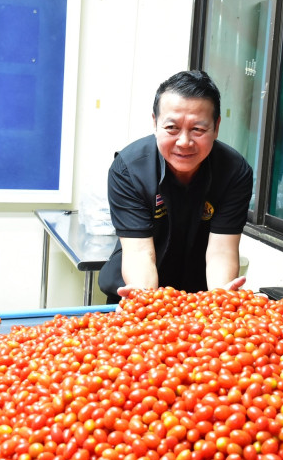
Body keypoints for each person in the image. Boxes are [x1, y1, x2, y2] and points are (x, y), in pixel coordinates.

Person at [98, 70, 253, 303]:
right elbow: (139, 253)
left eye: (198, 129)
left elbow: (222, 251)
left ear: (217, 126)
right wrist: (145, 305)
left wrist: (220, 301)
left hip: (200, 300)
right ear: (155, 123)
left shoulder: (234, 171)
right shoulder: (129, 169)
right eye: (172, 128)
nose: (184, 142)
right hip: (138, 293)